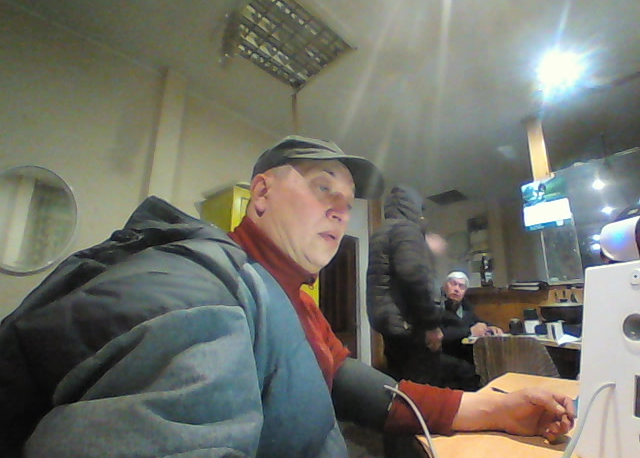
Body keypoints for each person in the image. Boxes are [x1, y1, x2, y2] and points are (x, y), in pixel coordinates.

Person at [0, 135, 574, 458]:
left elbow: (341, 374)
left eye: (346, 201)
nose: (340, 210)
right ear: (261, 195)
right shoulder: (201, 291)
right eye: (323, 188)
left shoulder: (292, 298)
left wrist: (485, 408)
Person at [367, 185, 444, 387]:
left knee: (399, 383)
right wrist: (430, 324)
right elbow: (413, 276)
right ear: (412, 206)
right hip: (409, 323)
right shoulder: (406, 229)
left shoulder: (382, 231)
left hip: (389, 322)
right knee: (421, 388)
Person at [440, 271, 504, 367]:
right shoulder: (437, 309)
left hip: (466, 357)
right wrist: (470, 332)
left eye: (461, 286)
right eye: (453, 284)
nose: (456, 289)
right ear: (445, 286)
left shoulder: (465, 308)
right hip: (446, 357)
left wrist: (490, 327)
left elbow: (477, 321)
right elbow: (441, 334)